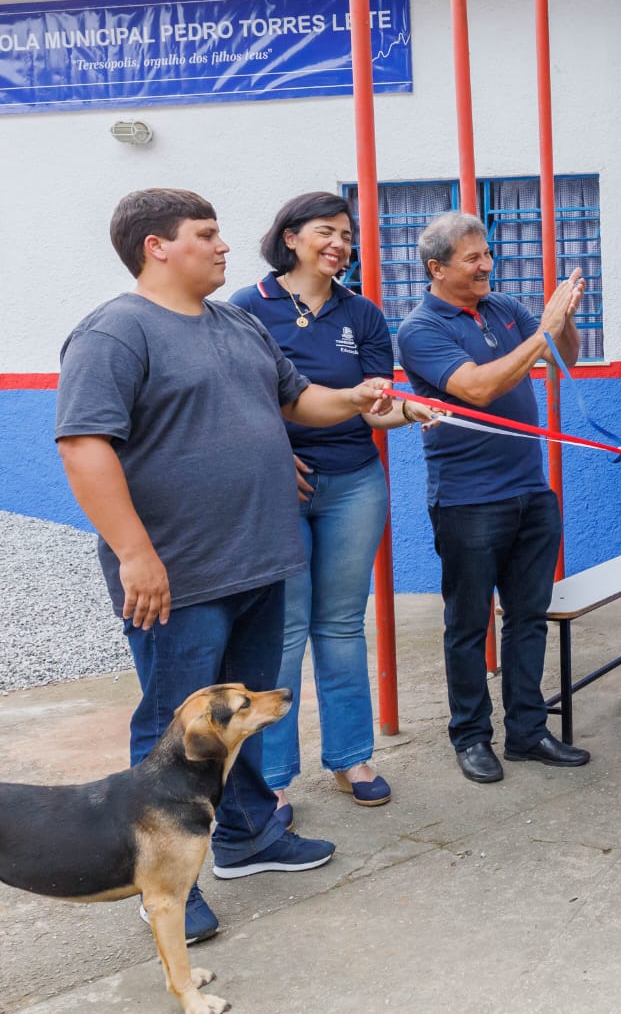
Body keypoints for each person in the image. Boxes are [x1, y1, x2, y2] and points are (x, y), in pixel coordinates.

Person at [55, 188, 394, 942]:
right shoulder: (115, 333)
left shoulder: (237, 323)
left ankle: (246, 834)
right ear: (157, 246)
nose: (225, 246)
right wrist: (136, 554)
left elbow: (301, 401)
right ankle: (164, 881)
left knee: (234, 725)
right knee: (172, 734)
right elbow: (84, 445)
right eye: (206, 234)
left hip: (259, 564)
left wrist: (365, 398)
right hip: (181, 576)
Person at [229, 192, 425, 820]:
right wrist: (269, 456)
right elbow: (236, 403)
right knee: (282, 635)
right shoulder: (245, 309)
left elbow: (378, 402)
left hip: (353, 484)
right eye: (327, 232)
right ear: (290, 237)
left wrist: (409, 411)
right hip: (278, 489)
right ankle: (275, 779)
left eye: (347, 235)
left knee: (340, 627)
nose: (341, 244)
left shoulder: (361, 313)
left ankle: (350, 758)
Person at [396, 212, 589, 784]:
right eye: (473, 258)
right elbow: (478, 388)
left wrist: (563, 323)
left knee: (528, 619)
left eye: (487, 254)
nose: (487, 265)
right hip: (467, 501)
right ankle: (471, 737)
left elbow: (565, 360)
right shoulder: (420, 329)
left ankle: (527, 733)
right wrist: (543, 330)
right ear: (437, 268)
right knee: (468, 623)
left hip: (531, 492)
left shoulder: (505, 309)